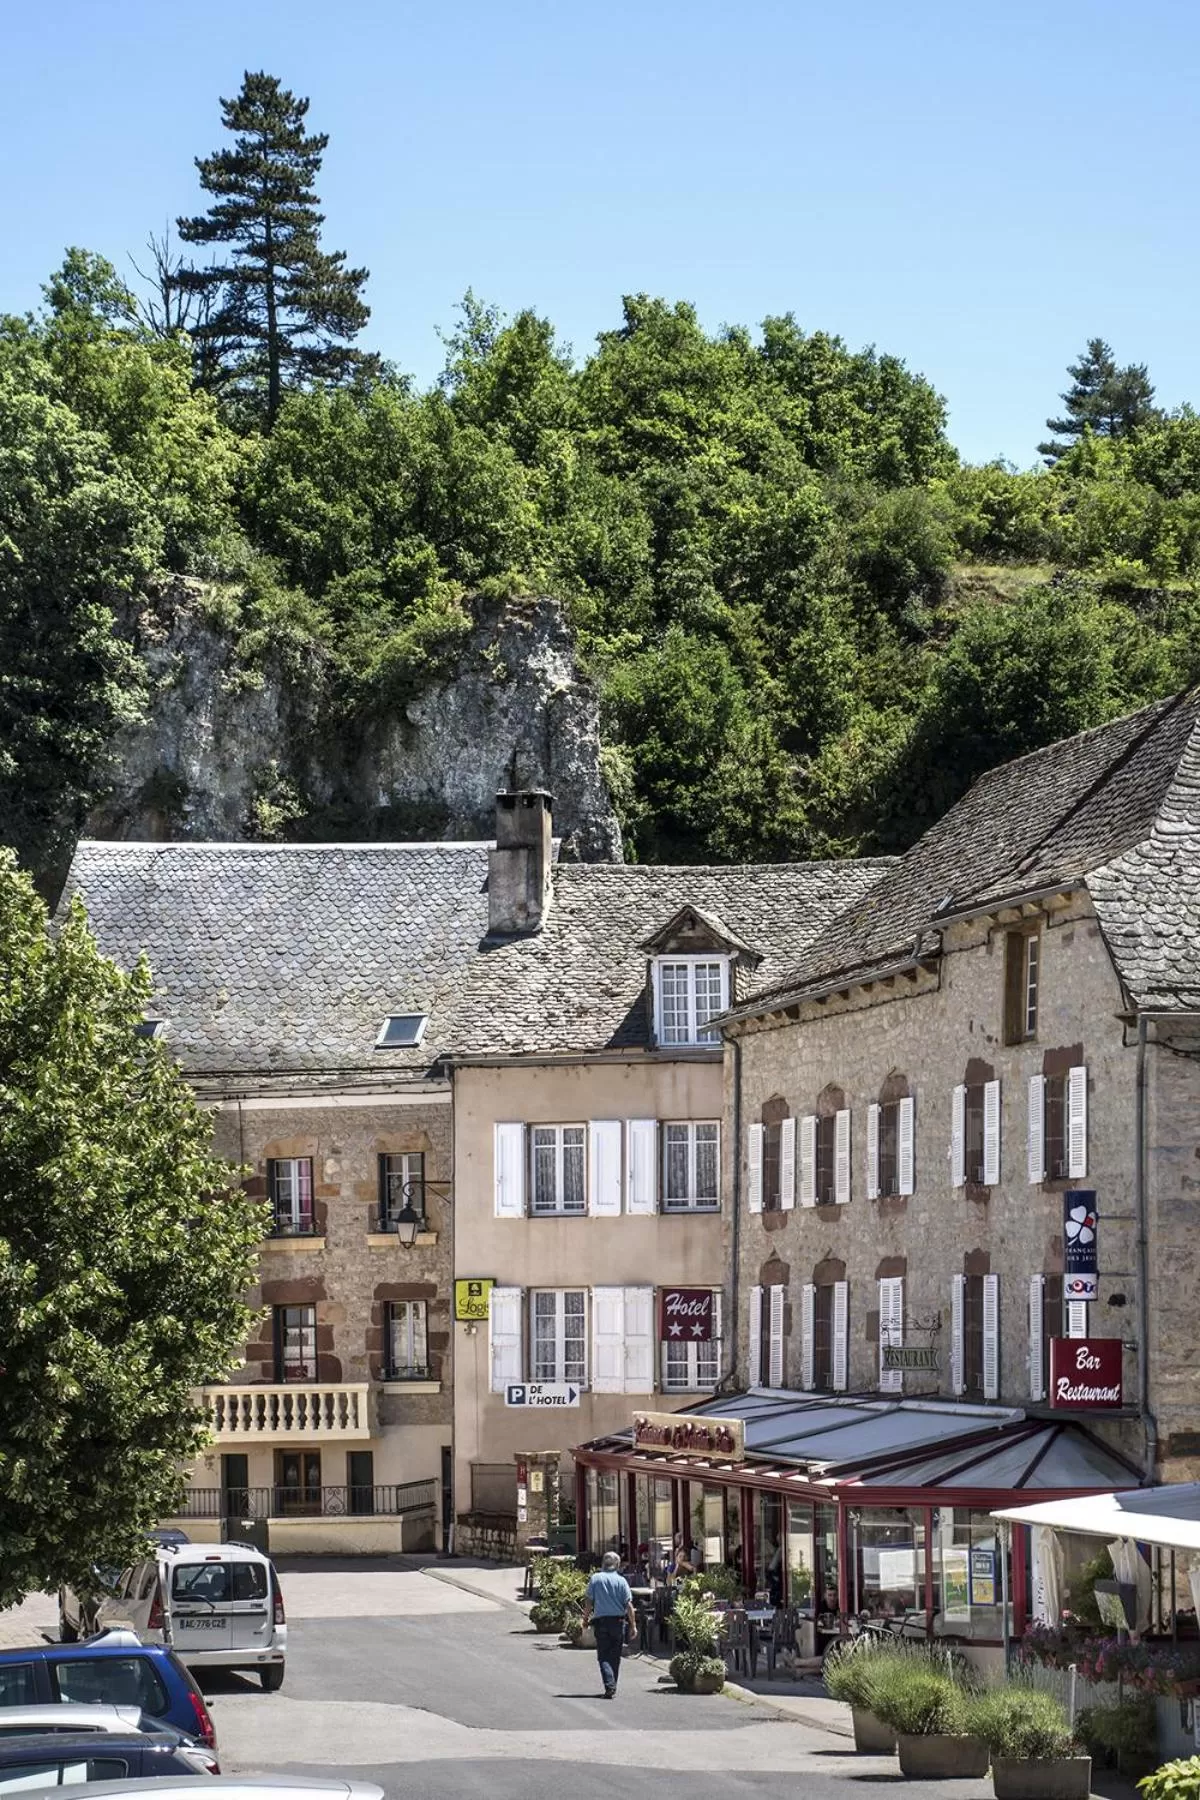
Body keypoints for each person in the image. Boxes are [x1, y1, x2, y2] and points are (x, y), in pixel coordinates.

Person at [582, 1549, 637, 1698]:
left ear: (603, 1564)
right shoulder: (621, 1581)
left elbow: (589, 1602)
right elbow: (629, 1605)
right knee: (615, 1655)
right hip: (618, 1622)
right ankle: (612, 1685)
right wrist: (633, 1625)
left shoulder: (596, 1579)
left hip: (601, 1622)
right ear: (617, 1565)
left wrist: (585, 1619)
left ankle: (610, 1685)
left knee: (604, 1656)